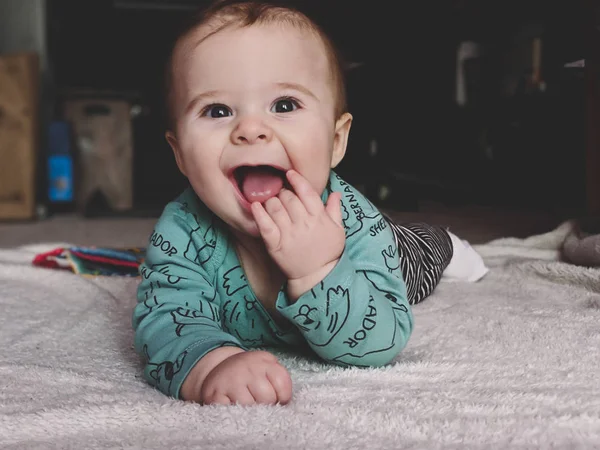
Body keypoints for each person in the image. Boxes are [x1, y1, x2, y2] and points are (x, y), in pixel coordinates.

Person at [132, 0, 488, 407]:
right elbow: (166, 320)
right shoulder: (182, 233)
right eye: (218, 110)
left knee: (417, 253)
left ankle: (444, 243)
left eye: (284, 105)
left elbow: (381, 343)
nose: (251, 130)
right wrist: (213, 365)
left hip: (385, 258)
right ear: (179, 154)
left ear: (336, 141)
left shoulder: (353, 220)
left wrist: (319, 270)